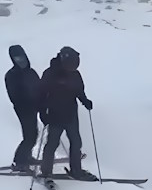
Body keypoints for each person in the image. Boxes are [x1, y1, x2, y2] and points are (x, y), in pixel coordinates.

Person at [38, 46, 96, 181]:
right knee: (52, 143)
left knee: (76, 142)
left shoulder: (75, 74)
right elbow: (41, 95)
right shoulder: (50, 73)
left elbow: (79, 91)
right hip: (55, 115)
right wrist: (42, 113)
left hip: (71, 114)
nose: (74, 68)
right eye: (72, 65)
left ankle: (76, 170)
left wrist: (85, 101)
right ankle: (46, 172)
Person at [5, 45, 42, 171]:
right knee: (29, 137)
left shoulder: (31, 72)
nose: (20, 60)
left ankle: (27, 157)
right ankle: (19, 162)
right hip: (23, 110)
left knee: (33, 133)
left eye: (21, 56)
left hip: (34, 108)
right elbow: (13, 96)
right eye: (16, 57)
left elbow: (39, 87)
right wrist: (29, 102)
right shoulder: (11, 75)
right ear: (12, 59)